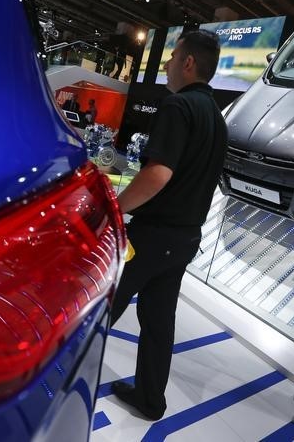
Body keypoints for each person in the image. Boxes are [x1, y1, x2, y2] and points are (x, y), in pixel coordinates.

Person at [109, 29, 227, 420]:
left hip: (152, 236)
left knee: (100, 309)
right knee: (159, 322)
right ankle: (149, 399)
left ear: (188, 63)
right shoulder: (215, 116)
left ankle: (54, 385)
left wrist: (116, 207)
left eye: (172, 58)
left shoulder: (178, 107)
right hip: (184, 239)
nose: (167, 65)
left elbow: (158, 174)